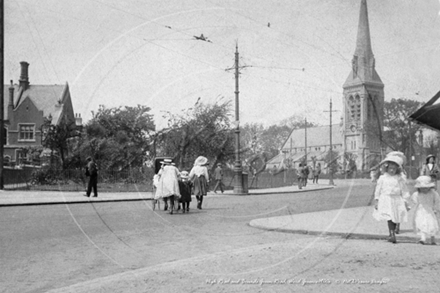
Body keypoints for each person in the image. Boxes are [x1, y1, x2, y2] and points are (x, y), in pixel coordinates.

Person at [373, 153, 410, 243]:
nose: (392, 171)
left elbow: (404, 190)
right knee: (389, 216)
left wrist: (405, 200)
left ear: (397, 169)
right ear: (387, 168)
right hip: (386, 198)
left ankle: (392, 233)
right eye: (390, 168)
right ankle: (392, 233)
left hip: (396, 199)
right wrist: (376, 200)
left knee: (394, 216)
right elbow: (378, 190)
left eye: (394, 169)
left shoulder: (399, 178)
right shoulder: (383, 178)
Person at [409, 175, 440, 245]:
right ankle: (423, 238)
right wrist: (409, 207)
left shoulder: (433, 194)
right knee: (422, 224)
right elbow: (414, 202)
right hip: (420, 211)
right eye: (422, 188)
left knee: (431, 224)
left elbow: (437, 201)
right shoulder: (417, 194)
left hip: (430, 211)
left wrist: (436, 209)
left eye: (426, 188)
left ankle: (433, 238)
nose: (424, 189)